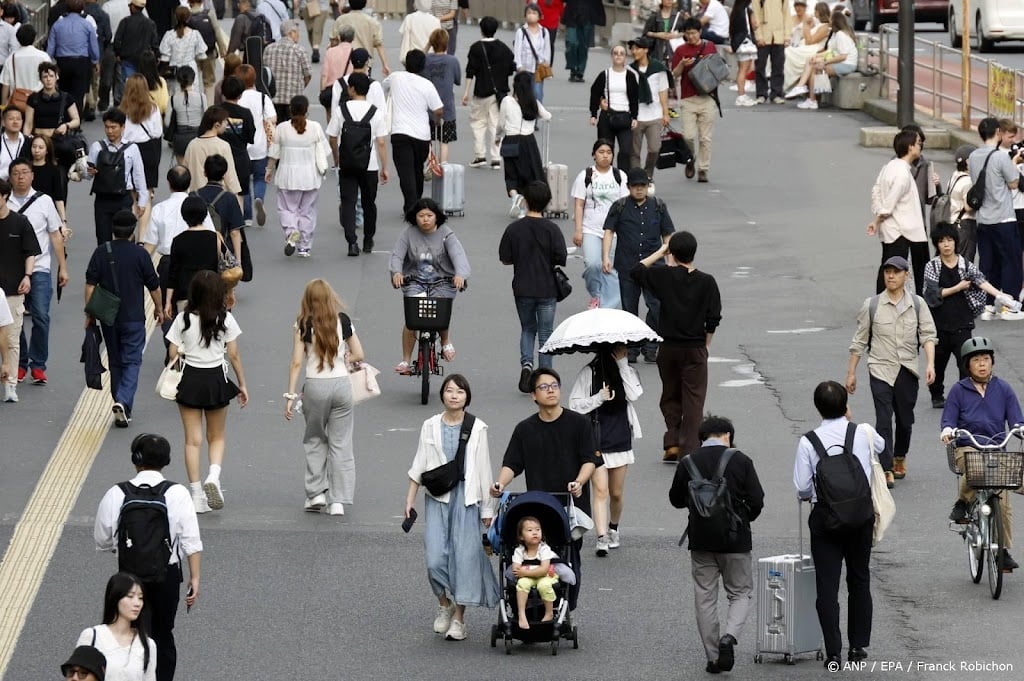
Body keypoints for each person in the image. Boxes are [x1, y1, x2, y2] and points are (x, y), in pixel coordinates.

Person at [93, 433, 202, 681]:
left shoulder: (116, 493)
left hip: (129, 577)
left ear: (135, 458)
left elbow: (102, 538)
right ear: (167, 460)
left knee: (130, 634)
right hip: (167, 575)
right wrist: (195, 578)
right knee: (163, 634)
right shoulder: (178, 493)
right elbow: (191, 540)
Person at [491, 367, 601, 612]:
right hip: (539, 507)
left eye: (554, 386)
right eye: (544, 387)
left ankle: (564, 607)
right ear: (533, 395)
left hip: (572, 504)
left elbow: (590, 460)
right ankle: (532, 607)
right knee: (532, 554)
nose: (551, 391)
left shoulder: (580, 423)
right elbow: (512, 463)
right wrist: (500, 484)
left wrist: (579, 482)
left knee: (569, 554)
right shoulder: (525, 429)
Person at [793, 381, 883, 668]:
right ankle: (858, 646)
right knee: (859, 579)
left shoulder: (809, 441)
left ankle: (833, 651)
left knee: (827, 586)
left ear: (817, 408)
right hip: (860, 516)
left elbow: (802, 488)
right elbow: (880, 448)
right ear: (846, 406)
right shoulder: (863, 432)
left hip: (825, 520)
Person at [404, 373, 500, 640]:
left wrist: (488, 509)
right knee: (435, 559)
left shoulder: (478, 428)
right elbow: (420, 463)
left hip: (467, 499)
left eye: (459, 391)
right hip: (438, 499)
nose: (454, 395)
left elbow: (483, 468)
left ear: (467, 397)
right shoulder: (430, 425)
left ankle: (459, 619)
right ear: (442, 395)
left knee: (465, 560)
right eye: (449, 390)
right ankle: (443, 604)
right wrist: (410, 498)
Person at [670, 414, 764, 674]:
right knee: (740, 592)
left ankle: (713, 658)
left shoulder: (688, 462)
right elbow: (757, 499)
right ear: (728, 435)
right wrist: (744, 519)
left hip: (701, 540)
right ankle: (729, 637)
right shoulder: (741, 461)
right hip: (736, 540)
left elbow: (676, 499)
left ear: (701, 438)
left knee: (705, 597)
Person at [847, 255, 937, 485]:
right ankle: (886, 466)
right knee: (884, 420)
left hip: (907, 369)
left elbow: (928, 335)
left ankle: (900, 456)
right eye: (887, 271)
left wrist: (930, 364)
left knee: (905, 421)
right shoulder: (872, 305)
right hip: (880, 369)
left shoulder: (917, 304)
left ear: (906, 275)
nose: (891, 276)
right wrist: (851, 373)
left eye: (896, 272)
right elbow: (859, 341)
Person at [632, 231, 721, 461]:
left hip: (668, 347)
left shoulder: (664, 276)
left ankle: (672, 441)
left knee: (670, 394)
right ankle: (689, 449)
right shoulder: (707, 281)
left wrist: (660, 252)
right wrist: (707, 344)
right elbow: (713, 318)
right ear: (694, 252)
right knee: (693, 399)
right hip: (695, 347)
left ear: (672, 252)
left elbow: (636, 271)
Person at [166, 269, 249, 513]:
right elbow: (233, 354)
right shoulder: (225, 318)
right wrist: (242, 383)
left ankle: (196, 495)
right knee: (217, 436)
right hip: (216, 379)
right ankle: (213, 476)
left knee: (193, 440)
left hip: (190, 378)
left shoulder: (183, 319)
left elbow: (172, 353)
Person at [942, 337, 1022, 570]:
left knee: (1003, 498)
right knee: (976, 466)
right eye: (976, 360)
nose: (982, 364)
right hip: (968, 446)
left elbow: (1017, 420)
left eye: (986, 359)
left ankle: (1003, 550)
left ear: (992, 362)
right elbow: (948, 419)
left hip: (996, 447)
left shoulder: (1003, 388)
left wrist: (1021, 429)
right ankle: (963, 503)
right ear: (968, 365)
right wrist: (947, 430)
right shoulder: (959, 390)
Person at [285, 279, 364, 516]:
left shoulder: (303, 324)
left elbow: (297, 362)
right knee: (341, 443)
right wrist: (343, 359)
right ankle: (339, 500)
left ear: (308, 299)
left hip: (315, 385)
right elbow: (359, 353)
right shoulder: (343, 321)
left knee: (315, 439)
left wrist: (290, 395)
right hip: (341, 384)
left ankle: (316, 493)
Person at [923, 222, 1015, 409]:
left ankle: (965, 396)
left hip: (962, 321)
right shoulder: (932, 266)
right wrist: (957, 287)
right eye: (941, 241)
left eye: (949, 240)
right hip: (939, 323)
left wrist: (1000, 295)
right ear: (936, 244)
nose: (946, 245)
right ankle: (937, 394)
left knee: (965, 363)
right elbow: (932, 294)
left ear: (956, 242)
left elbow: (981, 281)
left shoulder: (965, 264)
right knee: (938, 363)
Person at [84, 211, 161, 426]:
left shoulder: (101, 252)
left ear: (113, 229)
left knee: (116, 361)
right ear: (133, 229)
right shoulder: (140, 254)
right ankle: (123, 401)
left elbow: (90, 285)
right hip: (134, 317)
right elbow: (154, 286)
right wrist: (159, 308)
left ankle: (122, 408)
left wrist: (90, 314)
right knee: (132, 361)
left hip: (109, 318)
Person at [569, 344, 642, 555]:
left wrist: (622, 365)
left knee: (616, 493)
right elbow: (574, 404)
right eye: (619, 350)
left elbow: (634, 394)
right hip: (596, 437)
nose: (623, 352)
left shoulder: (628, 370)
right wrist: (598, 398)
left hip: (620, 436)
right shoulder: (589, 372)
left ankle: (613, 528)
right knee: (601, 491)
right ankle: (601, 538)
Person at [499, 180, 567, 390]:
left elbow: (505, 258)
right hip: (547, 288)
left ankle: (527, 364)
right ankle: (545, 376)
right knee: (546, 332)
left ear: (525, 201)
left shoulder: (514, 229)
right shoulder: (552, 229)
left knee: (528, 328)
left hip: (523, 287)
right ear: (547, 202)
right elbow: (561, 256)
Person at [602, 167, 674, 364]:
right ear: (628, 187)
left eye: (643, 186)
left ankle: (650, 345)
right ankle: (632, 349)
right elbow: (609, 231)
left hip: (655, 267)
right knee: (629, 310)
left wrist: (671, 259)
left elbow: (668, 234)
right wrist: (605, 257)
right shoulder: (619, 206)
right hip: (628, 266)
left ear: (648, 187)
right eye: (635, 186)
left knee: (657, 306)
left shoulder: (658, 206)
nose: (639, 189)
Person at [389, 197, 470, 372]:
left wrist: (460, 274)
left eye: (429, 215)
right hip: (415, 280)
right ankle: (405, 360)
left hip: (442, 281)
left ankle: (445, 340)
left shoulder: (446, 234)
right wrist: (396, 272)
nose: (425, 219)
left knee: (440, 309)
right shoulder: (408, 234)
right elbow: (397, 255)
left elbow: (458, 255)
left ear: (436, 217)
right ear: (414, 217)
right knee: (412, 318)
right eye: (421, 215)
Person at [9, 160, 67, 387]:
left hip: (41, 268)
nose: (20, 177)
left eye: (25, 172)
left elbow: (55, 236)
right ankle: (21, 362)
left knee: (41, 317)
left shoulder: (44, 201)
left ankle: (38, 365)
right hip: (12, 270)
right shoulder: (6, 202)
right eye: (16, 173)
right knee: (15, 321)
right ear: (10, 177)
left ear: (33, 176)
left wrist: (63, 267)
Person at [327, 72, 387, 257]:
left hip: (347, 164)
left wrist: (337, 158)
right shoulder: (375, 112)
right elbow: (382, 142)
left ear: (351, 89)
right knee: (369, 203)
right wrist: (385, 167)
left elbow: (332, 136)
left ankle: (352, 242)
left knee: (348, 202)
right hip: (369, 165)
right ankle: (368, 239)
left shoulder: (341, 110)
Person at [970, 117, 1024, 312]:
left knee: (988, 263)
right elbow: (1013, 183)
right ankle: (1010, 305)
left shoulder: (973, 156)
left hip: (983, 218)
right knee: (1011, 261)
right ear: (998, 132)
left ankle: (988, 305)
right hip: (1003, 217)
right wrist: (1015, 162)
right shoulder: (1001, 157)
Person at [382, 49, 443, 216]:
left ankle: (412, 205)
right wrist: (437, 121)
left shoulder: (395, 77)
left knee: (405, 172)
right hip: (422, 135)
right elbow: (438, 109)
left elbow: (383, 87)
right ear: (423, 66)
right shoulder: (427, 85)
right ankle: (415, 203)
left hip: (400, 132)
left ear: (405, 64)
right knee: (417, 170)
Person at [868, 130, 929, 295]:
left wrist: (877, 219)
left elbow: (876, 191)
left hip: (891, 230)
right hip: (904, 231)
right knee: (901, 272)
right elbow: (889, 206)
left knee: (887, 269)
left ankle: (882, 305)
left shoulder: (889, 167)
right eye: (918, 143)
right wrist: (878, 218)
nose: (920, 145)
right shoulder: (902, 173)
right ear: (910, 147)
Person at [266, 95, 326, 258]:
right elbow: (324, 152)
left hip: (287, 176)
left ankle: (292, 232)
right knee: (307, 211)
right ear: (307, 110)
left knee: (286, 208)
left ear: (290, 109)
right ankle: (304, 246)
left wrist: (269, 170)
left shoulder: (282, 128)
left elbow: (274, 153)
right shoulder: (315, 127)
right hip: (310, 177)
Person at [572, 139, 628, 310]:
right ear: (594, 154)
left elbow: (626, 204)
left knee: (609, 268)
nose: (605, 156)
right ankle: (596, 293)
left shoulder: (620, 176)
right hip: (591, 229)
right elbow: (579, 204)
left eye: (609, 152)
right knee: (592, 263)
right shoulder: (585, 175)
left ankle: (607, 306)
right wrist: (578, 230)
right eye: (601, 152)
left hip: (614, 231)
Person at [0, 177, 39, 403]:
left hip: (14, 289)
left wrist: (28, 275)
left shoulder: (20, 222)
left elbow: (30, 252)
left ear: (5, 196)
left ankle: (10, 385)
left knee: (13, 338)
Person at [76, 573, 157, 681]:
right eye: (130, 596)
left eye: (140, 598)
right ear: (114, 597)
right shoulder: (91, 636)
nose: (137, 603)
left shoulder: (148, 644)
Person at [88, 108, 148, 245]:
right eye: (107, 127)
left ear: (123, 127)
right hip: (102, 200)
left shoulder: (132, 149)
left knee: (125, 238)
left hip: (123, 199)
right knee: (103, 240)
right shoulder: (97, 147)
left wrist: (142, 201)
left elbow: (139, 176)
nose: (110, 131)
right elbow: (87, 175)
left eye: (113, 127)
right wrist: (87, 172)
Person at [462, 16, 515, 171]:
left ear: (481, 30)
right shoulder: (504, 48)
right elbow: (511, 68)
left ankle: (480, 155)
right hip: (499, 93)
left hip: (481, 91)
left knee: (478, 123)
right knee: (495, 124)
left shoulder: (476, 48)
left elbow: (470, 71)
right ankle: (496, 157)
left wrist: (466, 92)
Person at [669, 19, 717, 183]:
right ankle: (690, 158)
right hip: (688, 98)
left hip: (708, 97)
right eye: (688, 33)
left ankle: (703, 169)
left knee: (705, 138)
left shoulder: (710, 46)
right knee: (688, 136)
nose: (691, 36)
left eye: (694, 32)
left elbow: (717, 67)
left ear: (700, 31)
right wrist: (682, 64)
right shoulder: (680, 50)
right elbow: (674, 74)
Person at [498, 71, 551, 218]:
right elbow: (547, 116)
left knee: (511, 173)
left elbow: (501, 123)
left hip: (510, 140)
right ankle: (525, 207)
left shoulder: (507, 101)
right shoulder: (532, 102)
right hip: (528, 142)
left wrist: (497, 137)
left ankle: (515, 197)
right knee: (530, 174)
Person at [786, 10, 857, 110]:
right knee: (811, 60)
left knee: (814, 67)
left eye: (831, 19)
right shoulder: (835, 34)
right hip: (840, 61)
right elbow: (831, 51)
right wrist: (817, 56)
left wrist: (825, 62)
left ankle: (810, 97)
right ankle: (808, 95)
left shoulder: (841, 35)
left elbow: (843, 56)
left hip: (847, 64)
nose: (829, 21)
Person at [162, 194, 218, 319]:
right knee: (210, 332)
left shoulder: (178, 240)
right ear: (205, 214)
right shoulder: (215, 238)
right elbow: (223, 267)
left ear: (184, 216)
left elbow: (173, 274)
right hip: (211, 293)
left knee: (188, 333)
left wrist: (168, 302)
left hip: (186, 294)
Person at [588, 46, 638, 173]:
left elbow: (634, 97)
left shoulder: (630, 76)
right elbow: (594, 93)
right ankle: (605, 176)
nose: (618, 56)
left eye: (622, 53)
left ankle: (622, 177)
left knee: (626, 151)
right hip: (607, 117)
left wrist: (635, 117)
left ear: (625, 57)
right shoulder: (605, 74)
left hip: (624, 117)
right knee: (605, 151)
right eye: (615, 53)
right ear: (611, 56)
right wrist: (594, 114)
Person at [237, 64, 276, 226]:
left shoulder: (237, 99)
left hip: (242, 147)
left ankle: (247, 217)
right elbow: (273, 118)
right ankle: (259, 197)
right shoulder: (262, 97)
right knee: (260, 178)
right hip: (260, 146)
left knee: (243, 182)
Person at [196, 154, 246, 279]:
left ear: (205, 173)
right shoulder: (229, 198)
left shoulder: (194, 195)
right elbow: (235, 232)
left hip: (197, 246)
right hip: (221, 248)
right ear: (224, 175)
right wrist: (238, 262)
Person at [627, 37, 670, 182]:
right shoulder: (629, 70)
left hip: (654, 115)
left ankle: (648, 172)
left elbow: (663, 91)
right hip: (636, 116)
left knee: (654, 148)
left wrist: (665, 112)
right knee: (634, 152)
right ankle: (637, 179)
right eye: (632, 49)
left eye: (637, 48)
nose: (634, 51)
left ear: (646, 50)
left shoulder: (658, 69)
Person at [46, 0, 100, 115]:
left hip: (62, 61)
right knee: (78, 94)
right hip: (81, 62)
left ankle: (64, 118)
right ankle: (76, 121)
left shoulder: (58, 24)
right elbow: (93, 46)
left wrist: (49, 61)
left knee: (63, 91)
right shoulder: (87, 24)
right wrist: (95, 60)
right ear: (82, 9)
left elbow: (51, 46)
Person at [218, 76, 256, 221]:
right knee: (239, 194)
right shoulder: (245, 114)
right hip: (240, 158)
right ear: (240, 94)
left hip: (218, 158)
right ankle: (236, 227)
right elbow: (250, 137)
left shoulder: (215, 111)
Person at [120, 73, 163, 201]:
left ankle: (133, 217)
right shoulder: (153, 109)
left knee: (131, 192)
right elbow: (157, 132)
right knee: (146, 193)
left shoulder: (122, 111)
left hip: (129, 150)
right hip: (148, 150)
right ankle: (145, 220)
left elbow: (120, 135)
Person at [512, 515, 558, 629]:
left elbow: (543, 569)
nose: (535, 533)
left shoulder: (544, 549)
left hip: (546, 575)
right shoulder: (520, 551)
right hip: (529, 575)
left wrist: (525, 572)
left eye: (538, 530)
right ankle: (521, 614)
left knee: (544, 585)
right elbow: (516, 569)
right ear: (521, 537)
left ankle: (549, 612)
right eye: (530, 530)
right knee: (522, 584)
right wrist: (522, 572)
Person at [183, 105, 242, 195]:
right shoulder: (223, 146)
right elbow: (230, 176)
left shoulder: (192, 144)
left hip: (195, 195)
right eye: (225, 121)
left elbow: (185, 170)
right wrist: (235, 193)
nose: (226, 124)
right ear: (217, 125)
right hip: (218, 195)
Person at [262, 19, 311, 122]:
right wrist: (300, 86)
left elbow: (265, 73)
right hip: (293, 100)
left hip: (273, 99)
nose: (298, 35)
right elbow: (308, 74)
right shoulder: (299, 50)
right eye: (297, 32)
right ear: (291, 33)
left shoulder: (268, 49)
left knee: (276, 129)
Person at [25, 61, 81, 148]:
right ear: (40, 79)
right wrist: (26, 141)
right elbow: (28, 124)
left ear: (56, 77)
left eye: (51, 76)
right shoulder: (33, 98)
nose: (48, 79)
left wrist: (66, 125)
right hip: (39, 139)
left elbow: (76, 120)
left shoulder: (66, 97)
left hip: (59, 139)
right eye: (45, 76)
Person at [424, 28, 460, 164]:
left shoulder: (426, 60)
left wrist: (427, 45)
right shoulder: (452, 61)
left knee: (429, 139)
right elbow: (457, 80)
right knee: (444, 141)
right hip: (447, 107)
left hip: (428, 107)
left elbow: (417, 59)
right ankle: (442, 166)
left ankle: (430, 163)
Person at [328, 0, 390, 75]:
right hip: (364, 62)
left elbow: (333, 41)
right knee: (363, 84)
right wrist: (385, 64)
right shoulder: (372, 22)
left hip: (344, 61)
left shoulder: (340, 20)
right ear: (365, 3)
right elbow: (379, 44)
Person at [158, 6, 206, 98]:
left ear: (175, 17)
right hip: (191, 69)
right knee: (192, 95)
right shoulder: (195, 34)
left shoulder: (169, 35)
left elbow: (165, 58)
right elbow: (201, 56)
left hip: (175, 70)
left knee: (175, 96)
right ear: (188, 18)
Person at [1, 25, 51, 110]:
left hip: (17, 103)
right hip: (39, 101)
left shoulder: (11, 58)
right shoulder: (43, 57)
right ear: (35, 38)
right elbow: (51, 80)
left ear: (18, 40)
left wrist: (3, 106)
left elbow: (6, 85)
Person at [187, 0, 227, 103]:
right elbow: (217, 31)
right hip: (209, 52)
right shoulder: (209, 13)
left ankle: (195, 105)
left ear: (188, 1)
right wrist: (222, 48)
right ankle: (209, 106)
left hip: (193, 54)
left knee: (193, 81)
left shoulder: (187, 15)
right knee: (209, 82)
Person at [165, 66, 206, 162]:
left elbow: (167, 122)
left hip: (180, 138)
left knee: (182, 171)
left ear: (178, 81)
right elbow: (206, 118)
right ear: (193, 79)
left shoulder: (173, 98)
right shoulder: (201, 97)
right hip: (197, 136)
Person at [113, 0, 159, 85]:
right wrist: (155, 56)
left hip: (127, 59)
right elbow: (155, 43)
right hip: (145, 61)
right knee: (143, 86)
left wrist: (117, 53)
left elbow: (117, 40)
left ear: (133, 7)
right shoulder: (150, 23)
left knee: (129, 86)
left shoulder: (125, 22)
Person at [512, 4, 549, 103]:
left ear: (539, 16)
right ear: (525, 16)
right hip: (525, 69)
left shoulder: (544, 32)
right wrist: (519, 66)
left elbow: (547, 50)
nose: (531, 15)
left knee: (537, 94)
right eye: (528, 13)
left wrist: (546, 62)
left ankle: (535, 116)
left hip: (538, 69)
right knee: (524, 95)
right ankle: (524, 116)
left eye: (534, 13)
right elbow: (517, 50)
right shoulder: (521, 32)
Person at [947, 144, 978, 263]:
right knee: (965, 261)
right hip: (965, 224)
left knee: (954, 260)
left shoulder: (954, 177)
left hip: (953, 222)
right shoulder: (967, 181)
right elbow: (968, 206)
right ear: (968, 162)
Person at [563, 0, 605, 84]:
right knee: (571, 43)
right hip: (572, 16)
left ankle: (579, 72)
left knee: (583, 46)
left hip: (587, 17)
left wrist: (599, 17)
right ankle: (573, 67)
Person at [28, 135, 67, 223]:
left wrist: (63, 221)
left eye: (41, 147)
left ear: (47, 151)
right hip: (27, 212)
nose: (36, 150)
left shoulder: (53, 170)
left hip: (47, 213)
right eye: (34, 147)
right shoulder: (25, 168)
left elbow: (58, 198)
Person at [729, 0, 757, 106]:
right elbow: (754, 25)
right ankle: (741, 95)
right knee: (744, 70)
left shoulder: (736, 11)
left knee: (742, 69)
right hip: (746, 42)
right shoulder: (747, 11)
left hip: (738, 42)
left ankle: (742, 94)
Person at [398, 0, 439, 66]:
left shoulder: (409, 18)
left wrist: (404, 58)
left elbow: (405, 40)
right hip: (430, 59)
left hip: (413, 58)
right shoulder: (436, 21)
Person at [0, 108, 26, 181]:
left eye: (18, 119)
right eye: (11, 119)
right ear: (3, 122)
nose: (15, 122)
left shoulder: (28, 142)